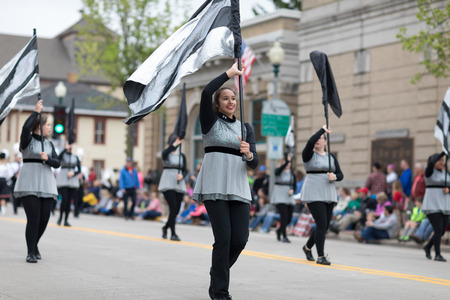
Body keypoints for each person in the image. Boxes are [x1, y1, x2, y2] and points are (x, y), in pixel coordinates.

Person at [192, 63, 258, 300]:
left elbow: (254, 163)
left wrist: (249, 153)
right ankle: (220, 291)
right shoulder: (210, 123)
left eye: (233, 98)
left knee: (240, 239)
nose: (231, 102)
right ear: (218, 103)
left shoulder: (245, 128)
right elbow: (205, 92)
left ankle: (217, 272)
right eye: (226, 98)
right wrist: (229, 74)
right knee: (224, 239)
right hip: (215, 186)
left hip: (239, 188)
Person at [14, 100, 60, 263]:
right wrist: (36, 112)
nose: (50, 128)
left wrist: (48, 159)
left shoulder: (49, 144)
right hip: (29, 182)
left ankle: (35, 244)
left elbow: (57, 163)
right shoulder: (27, 140)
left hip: (46, 183)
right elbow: (26, 128)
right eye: (48, 125)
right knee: (33, 218)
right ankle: (30, 252)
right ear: (40, 125)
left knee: (44, 219)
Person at [300, 125, 343, 265]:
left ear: (326, 142)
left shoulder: (331, 157)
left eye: (321, 138)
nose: (318, 140)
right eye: (317, 138)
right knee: (321, 223)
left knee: (324, 226)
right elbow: (309, 142)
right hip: (314, 191)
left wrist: (334, 177)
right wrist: (322, 130)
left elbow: (341, 175)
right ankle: (321, 256)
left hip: (329, 192)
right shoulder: (308, 155)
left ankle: (307, 247)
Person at [421, 152, 450, 262]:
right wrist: (443, 152)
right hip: (432, 204)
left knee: (442, 231)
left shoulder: (446, 173)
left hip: (445, 204)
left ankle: (428, 247)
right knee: (438, 229)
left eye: (442, 160)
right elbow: (431, 163)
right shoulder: (429, 172)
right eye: (439, 160)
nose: (441, 162)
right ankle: (438, 254)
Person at [158, 136, 187, 241]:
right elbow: (164, 154)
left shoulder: (182, 156)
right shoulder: (166, 153)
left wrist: (182, 175)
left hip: (179, 183)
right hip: (168, 182)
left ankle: (165, 227)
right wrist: (173, 144)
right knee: (173, 207)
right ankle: (173, 233)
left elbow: (185, 170)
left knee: (176, 209)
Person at [270, 153, 296, 243]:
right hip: (279, 196)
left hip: (288, 196)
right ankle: (284, 236)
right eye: (286, 162)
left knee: (289, 217)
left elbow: (294, 185)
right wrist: (286, 160)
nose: (288, 164)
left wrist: (293, 190)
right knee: (284, 216)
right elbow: (277, 172)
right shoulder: (278, 170)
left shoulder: (292, 173)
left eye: (289, 162)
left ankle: (279, 230)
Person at [56, 143, 81, 227]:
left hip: (72, 180)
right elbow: (58, 158)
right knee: (65, 199)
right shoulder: (63, 155)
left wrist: (73, 173)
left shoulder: (75, 157)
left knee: (69, 201)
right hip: (63, 179)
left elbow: (79, 170)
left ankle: (66, 220)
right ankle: (60, 218)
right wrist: (65, 149)